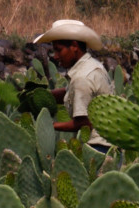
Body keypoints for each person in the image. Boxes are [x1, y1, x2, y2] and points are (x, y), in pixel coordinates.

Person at [33, 20, 113, 153]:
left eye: (59, 50)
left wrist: (47, 125)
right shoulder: (93, 65)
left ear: (74, 46)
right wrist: (43, 95)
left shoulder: (82, 78)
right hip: (110, 144)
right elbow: (72, 93)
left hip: (97, 149)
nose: (56, 56)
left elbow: (84, 123)